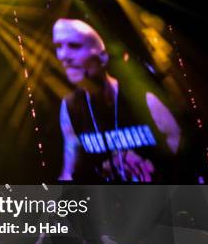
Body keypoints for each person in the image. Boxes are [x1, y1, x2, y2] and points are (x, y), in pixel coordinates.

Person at [54, 18, 181, 183]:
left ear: (103, 57)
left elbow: (176, 140)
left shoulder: (140, 95)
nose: (63, 56)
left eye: (75, 46)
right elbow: (71, 154)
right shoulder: (70, 106)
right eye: (58, 47)